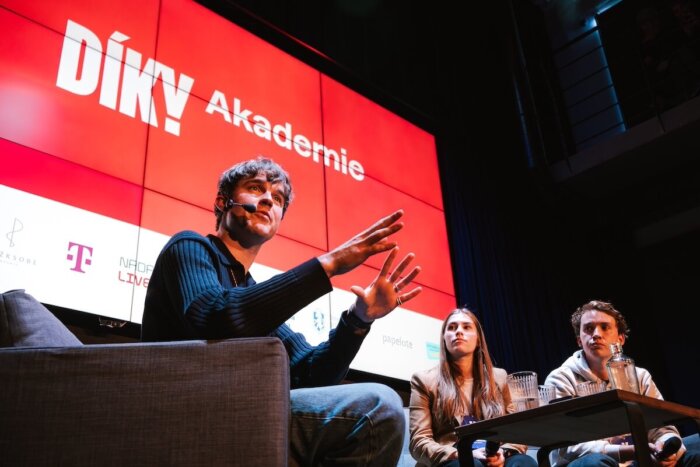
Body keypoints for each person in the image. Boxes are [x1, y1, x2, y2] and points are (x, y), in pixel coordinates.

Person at [141, 156, 423, 466]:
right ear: (223, 202)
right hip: (185, 412)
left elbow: (312, 374)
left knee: (382, 412)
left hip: (237, 415)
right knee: (376, 407)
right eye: (255, 188)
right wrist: (327, 265)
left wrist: (359, 318)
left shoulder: (251, 293)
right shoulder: (190, 247)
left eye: (277, 199)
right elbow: (213, 317)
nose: (268, 200)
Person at [544, 300, 700, 466]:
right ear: (579, 341)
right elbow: (563, 444)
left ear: (620, 339)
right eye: (588, 328)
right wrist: (627, 452)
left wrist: (667, 447)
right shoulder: (560, 378)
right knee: (595, 462)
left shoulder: (639, 376)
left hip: (642, 458)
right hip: (592, 462)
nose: (596, 334)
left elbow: (662, 427)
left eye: (604, 327)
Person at [409, 307, 537, 467]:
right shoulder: (424, 380)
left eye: (466, 327)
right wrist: (460, 453)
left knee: (524, 463)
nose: (458, 332)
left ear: (478, 339)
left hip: (494, 453)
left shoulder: (500, 377)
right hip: (452, 457)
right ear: (444, 339)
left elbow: (516, 431)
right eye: (452, 327)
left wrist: (503, 453)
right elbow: (418, 442)